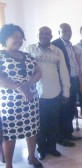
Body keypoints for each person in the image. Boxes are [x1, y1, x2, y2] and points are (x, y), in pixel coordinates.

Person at [0, 24, 43, 168]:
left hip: (30, 100)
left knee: (32, 130)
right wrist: (19, 88)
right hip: (11, 103)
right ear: (5, 38)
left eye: (20, 37)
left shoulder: (27, 55)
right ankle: (9, 165)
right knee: (9, 134)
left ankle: (32, 157)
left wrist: (27, 84)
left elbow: (38, 72)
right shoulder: (1, 56)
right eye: (14, 37)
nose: (18, 40)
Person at [25, 26, 70, 161]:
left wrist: (66, 91)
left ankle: (52, 148)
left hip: (55, 92)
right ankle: (41, 149)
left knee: (53, 123)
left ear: (51, 36)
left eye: (47, 34)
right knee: (39, 125)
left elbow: (63, 72)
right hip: (35, 95)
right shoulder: (29, 49)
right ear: (37, 35)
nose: (44, 36)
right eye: (41, 33)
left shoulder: (58, 51)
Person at [52, 23, 82, 146]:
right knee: (63, 110)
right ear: (59, 32)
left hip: (73, 80)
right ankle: (61, 137)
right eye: (64, 31)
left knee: (71, 109)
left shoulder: (70, 45)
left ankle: (68, 133)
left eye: (69, 30)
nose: (67, 33)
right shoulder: (55, 44)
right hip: (63, 82)